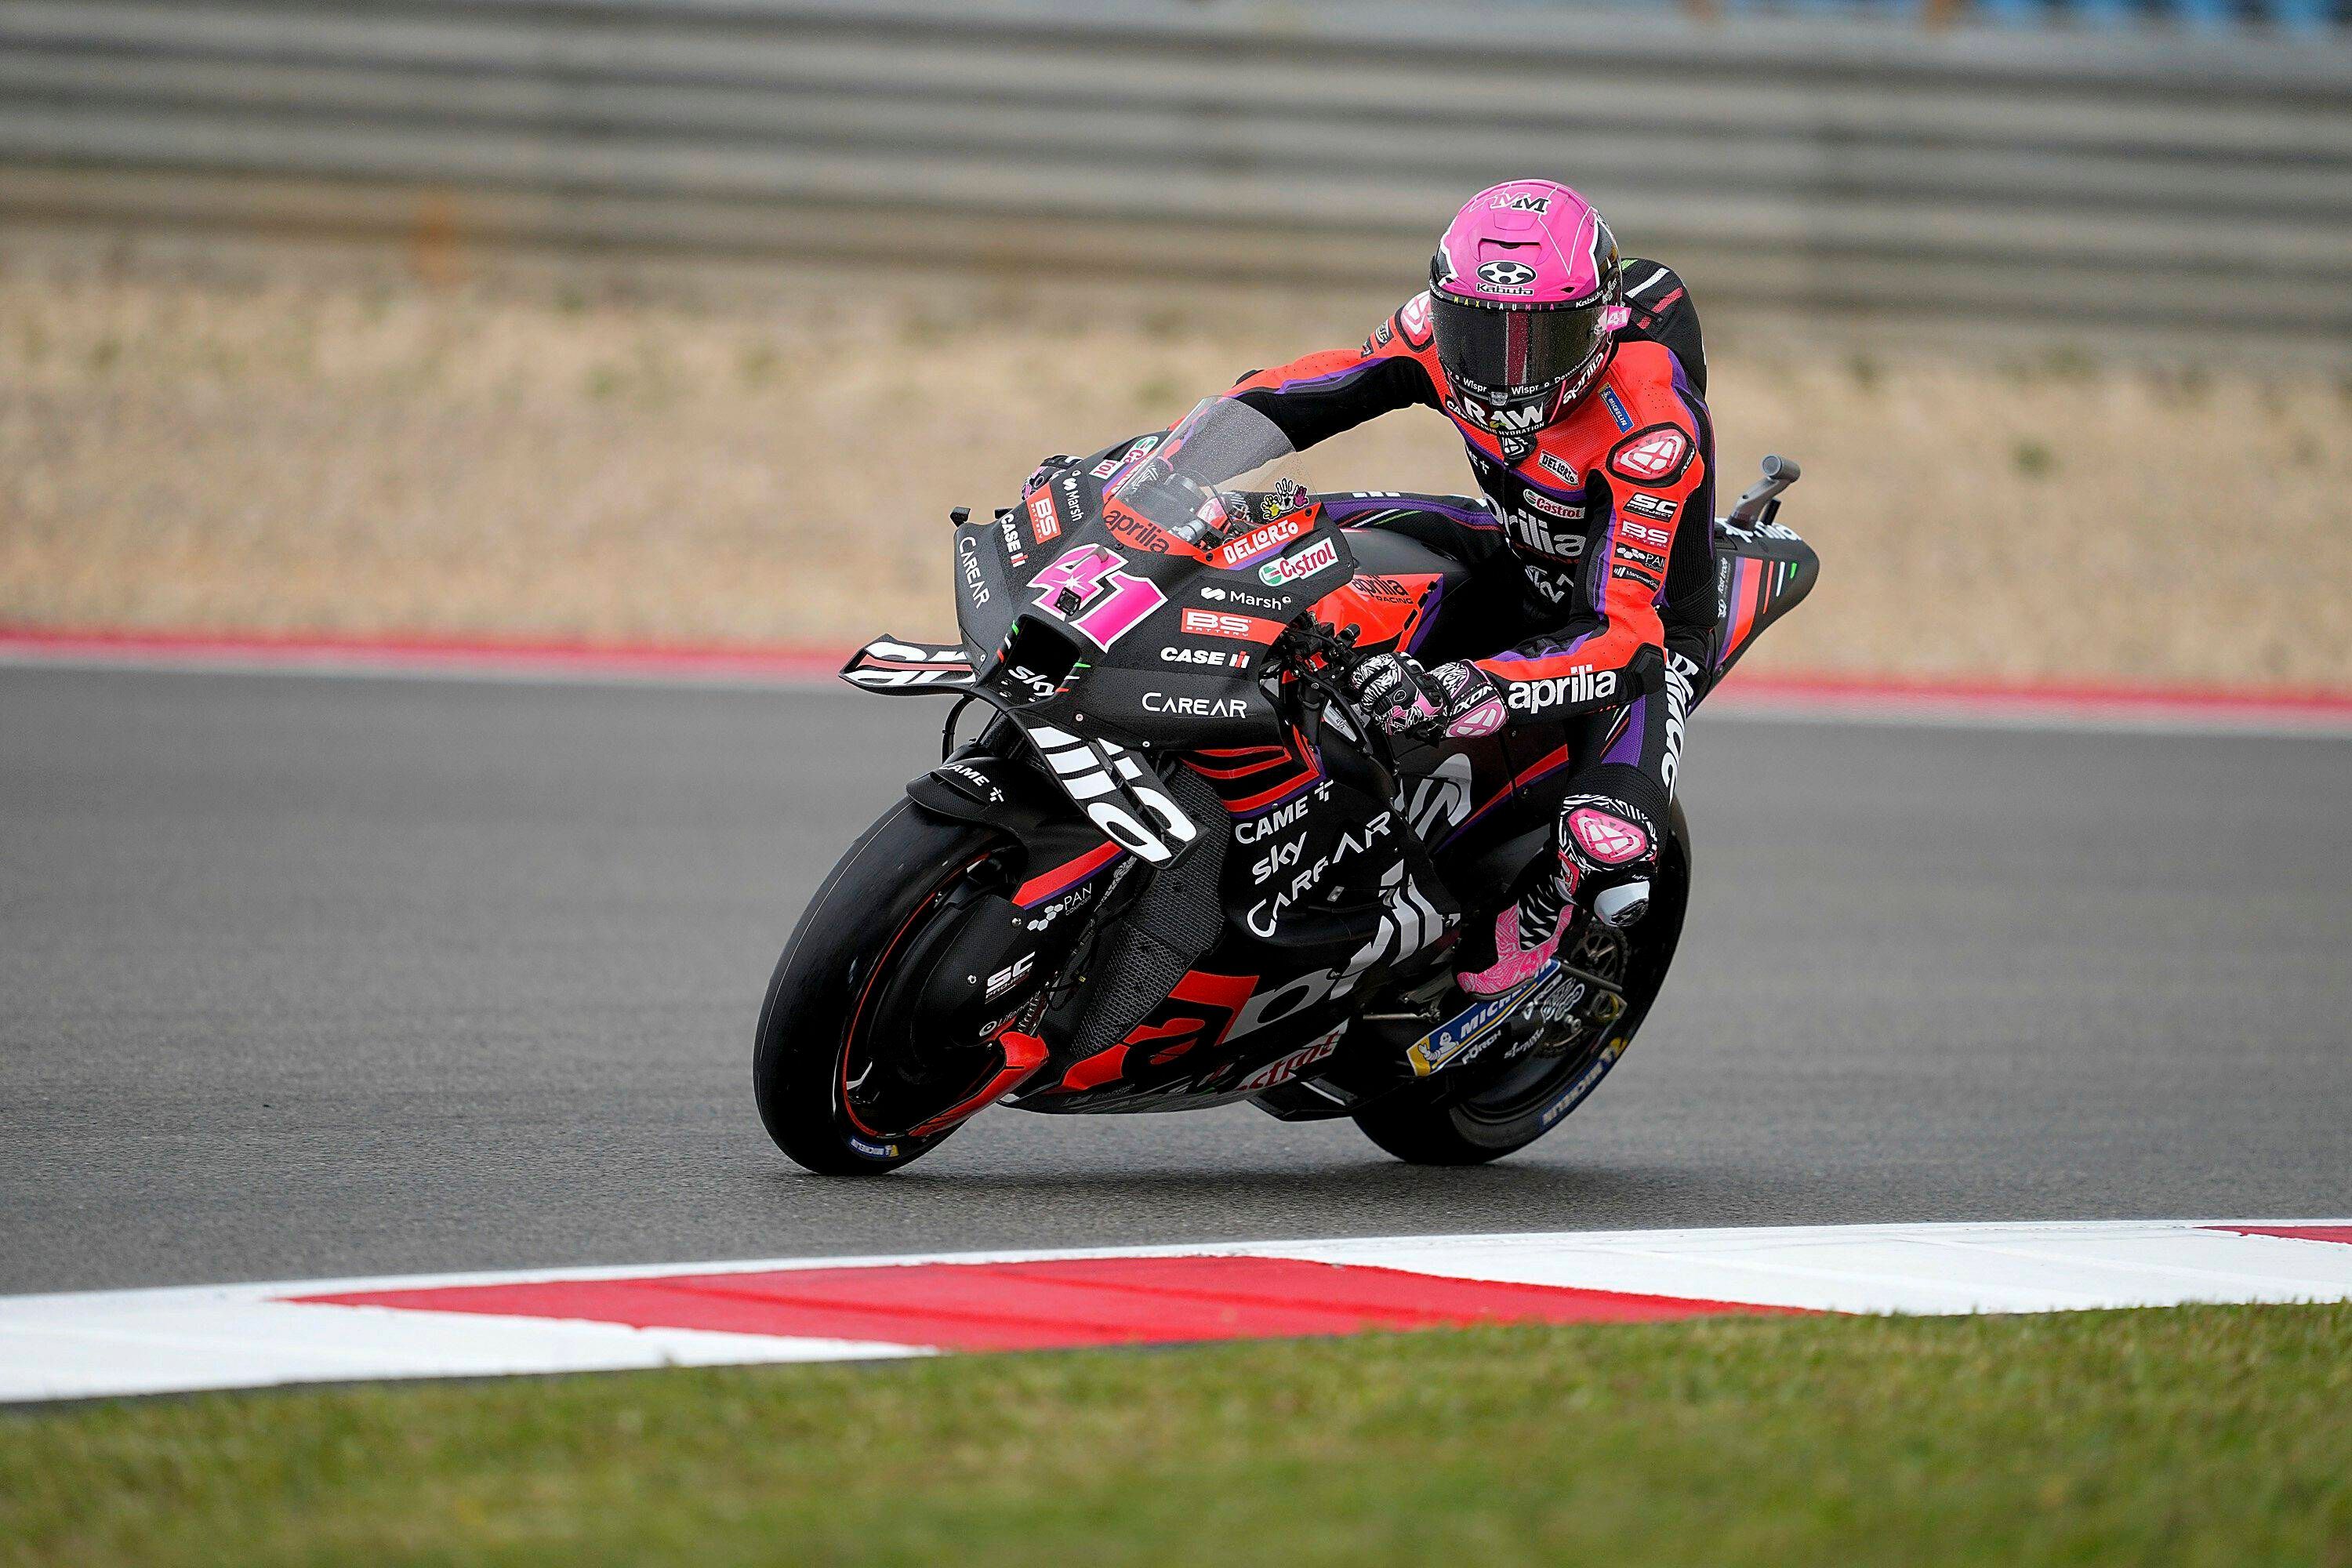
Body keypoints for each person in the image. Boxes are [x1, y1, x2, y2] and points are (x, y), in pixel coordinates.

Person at [1219, 179, 1718, 996]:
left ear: (1597, 327)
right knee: (1268, 529)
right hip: (1514, 549)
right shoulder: (1429, 332)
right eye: (1478, 336)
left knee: (1612, 849)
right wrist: (1161, 460)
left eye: (1539, 343)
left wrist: (1468, 687)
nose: (1501, 370)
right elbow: (1311, 388)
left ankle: (1552, 905)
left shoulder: (1650, 431)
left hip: (1643, 627)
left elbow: (1623, 636)